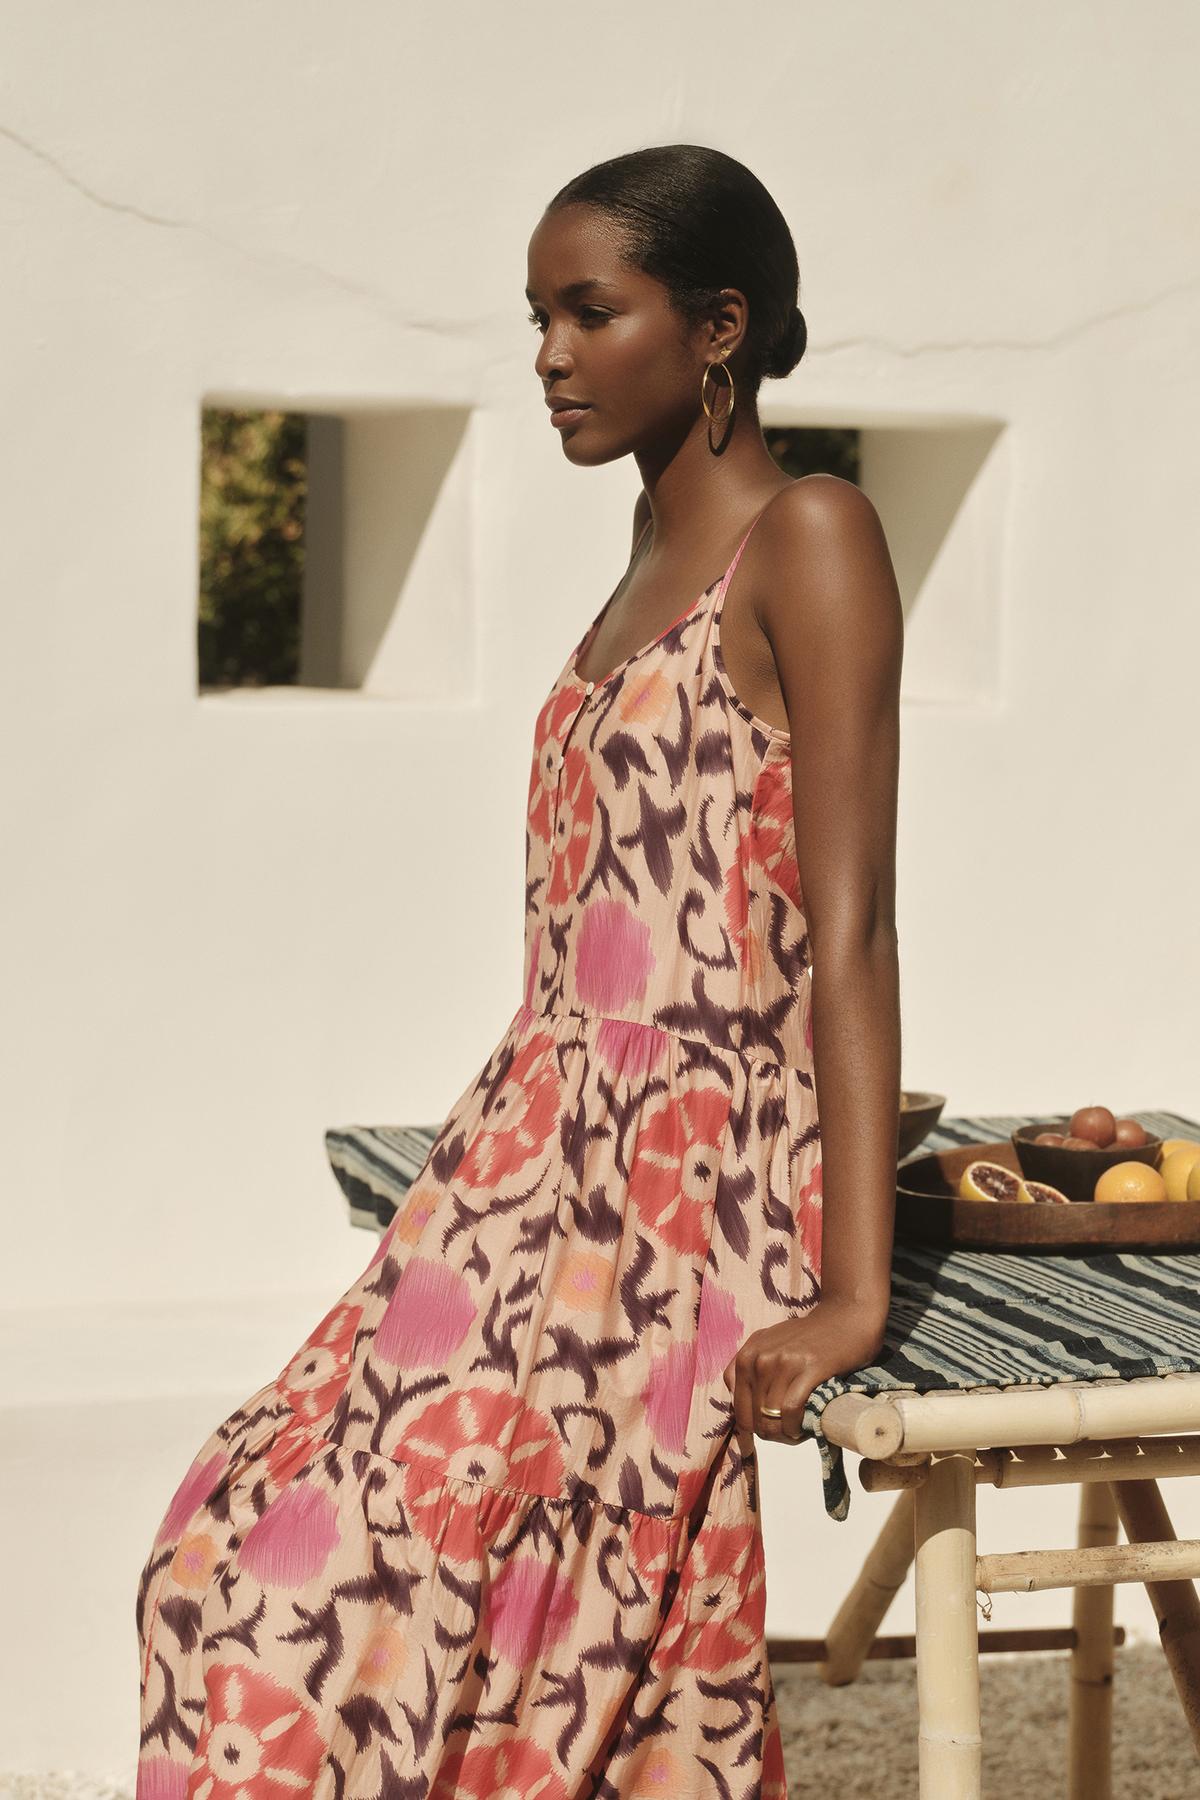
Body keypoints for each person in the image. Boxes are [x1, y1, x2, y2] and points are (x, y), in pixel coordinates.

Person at [135, 142, 903, 1798]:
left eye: (588, 309)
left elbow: (847, 929)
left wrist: (850, 1289)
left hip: (674, 1194)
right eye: (538, 316)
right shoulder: (640, 568)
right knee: (222, 1550)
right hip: (530, 1158)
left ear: (718, 327)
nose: (548, 352)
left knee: (327, 1608)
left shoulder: (811, 535)